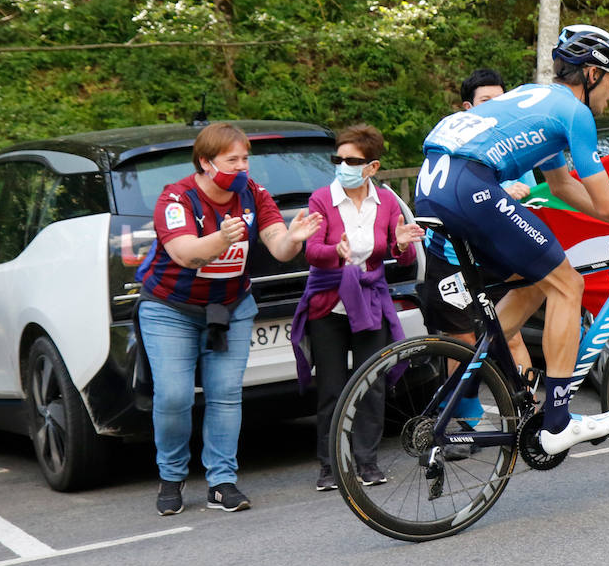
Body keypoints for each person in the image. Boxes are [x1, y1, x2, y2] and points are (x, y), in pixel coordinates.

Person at [414, 24, 609, 455]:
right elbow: (607, 204)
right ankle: (558, 420)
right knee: (569, 283)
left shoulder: (536, 101)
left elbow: (564, 188)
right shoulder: (575, 113)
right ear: (591, 74)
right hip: (468, 183)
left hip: (435, 186)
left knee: (538, 279)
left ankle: (472, 376)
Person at [136, 122, 323, 516]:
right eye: (232, 160)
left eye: (245, 159)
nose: (242, 168)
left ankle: (221, 482)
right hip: (171, 309)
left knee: (225, 395)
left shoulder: (254, 194)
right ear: (205, 163)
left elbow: (279, 247)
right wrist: (222, 237)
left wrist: (294, 236)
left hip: (232, 306)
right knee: (174, 396)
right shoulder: (177, 198)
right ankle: (171, 476)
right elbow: (186, 253)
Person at [290, 125, 423, 492]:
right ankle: (330, 466)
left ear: (372, 166)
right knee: (331, 387)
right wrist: (335, 251)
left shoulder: (388, 202)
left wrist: (400, 243)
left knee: (372, 384)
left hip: (369, 301)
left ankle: (367, 462)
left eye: (351, 160)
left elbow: (402, 253)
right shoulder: (322, 199)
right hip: (329, 303)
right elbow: (312, 250)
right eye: (338, 159)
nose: (342, 166)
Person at [421, 68, 536, 372]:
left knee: (510, 338)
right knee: (462, 342)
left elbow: (534, 197)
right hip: (449, 255)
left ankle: (534, 415)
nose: (495, 108)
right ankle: (461, 415)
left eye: (501, 100)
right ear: (467, 109)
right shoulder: (449, 142)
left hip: (495, 256)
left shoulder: (517, 144)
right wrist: (498, 194)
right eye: (486, 101)